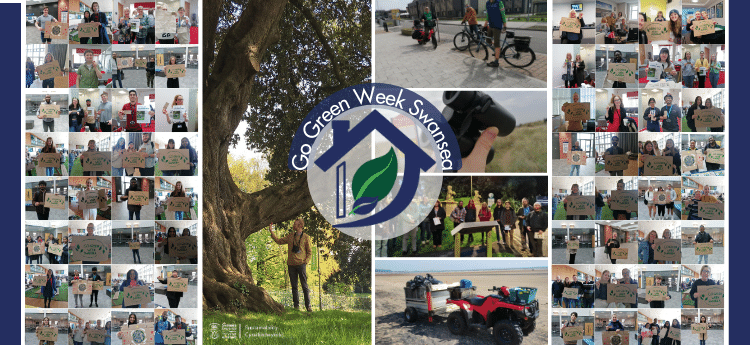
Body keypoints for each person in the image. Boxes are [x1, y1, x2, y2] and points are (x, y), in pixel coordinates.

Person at [269, 219, 313, 312]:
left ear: (300, 225)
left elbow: (309, 252)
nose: (293, 225)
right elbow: (279, 241)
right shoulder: (290, 236)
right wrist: (271, 231)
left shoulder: (306, 237)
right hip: (291, 265)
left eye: (295, 224)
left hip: (301, 265)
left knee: (304, 286)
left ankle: (308, 306)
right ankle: (296, 307)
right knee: (294, 287)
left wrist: (306, 261)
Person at [485, 0, 507, 67]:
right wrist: (485, 24)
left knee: (497, 44)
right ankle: (497, 50)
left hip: (497, 26)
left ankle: (496, 61)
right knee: (488, 40)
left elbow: (503, 14)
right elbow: (487, 14)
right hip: (491, 25)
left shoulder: (499, 2)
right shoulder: (487, 3)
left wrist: (505, 25)